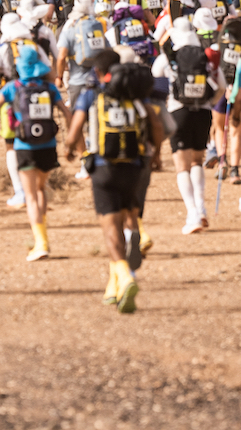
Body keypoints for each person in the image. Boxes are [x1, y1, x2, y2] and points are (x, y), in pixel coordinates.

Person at [63, 50, 167, 313]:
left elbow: (74, 130)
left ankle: (125, 274)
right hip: (134, 166)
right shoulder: (136, 94)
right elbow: (156, 125)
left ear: (98, 72)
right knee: (128, 215)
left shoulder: (91, 95)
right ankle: (116, 283)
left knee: (110, 227)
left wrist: (70, 149)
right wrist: (156, 154)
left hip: (104, 168)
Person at [0, 44, 69, 261]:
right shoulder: (50, 88)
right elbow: (67, 114)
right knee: (41, 190)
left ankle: (41, 242)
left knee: (30, 196)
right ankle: (43, 233)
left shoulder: (12, 87)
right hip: (48, 145)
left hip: (24, 146)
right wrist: (70, 142)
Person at [151, 15, 225, 235]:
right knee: (197, 161)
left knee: (181, 166)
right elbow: (221, 86)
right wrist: (209, 102)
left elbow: (155, 84)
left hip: (178, 112)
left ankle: (192, 213)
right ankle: (201, 209)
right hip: (203, 112)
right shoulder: (205, 57)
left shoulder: (168, 58)